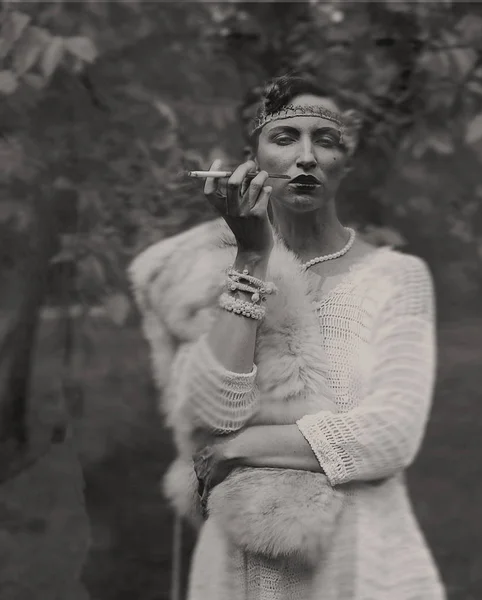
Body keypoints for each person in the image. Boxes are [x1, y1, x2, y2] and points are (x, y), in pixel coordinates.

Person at [129, 74, 445, 600]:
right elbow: (214, 415)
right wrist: (251, 258)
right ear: (250, 159)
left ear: (348, 160)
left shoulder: (397, 278)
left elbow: (390, 436)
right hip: (234, 568)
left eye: (325, 139)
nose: (305, 156)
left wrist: (240, 449)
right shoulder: (202, 271)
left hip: (359, 561)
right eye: (284, 138)